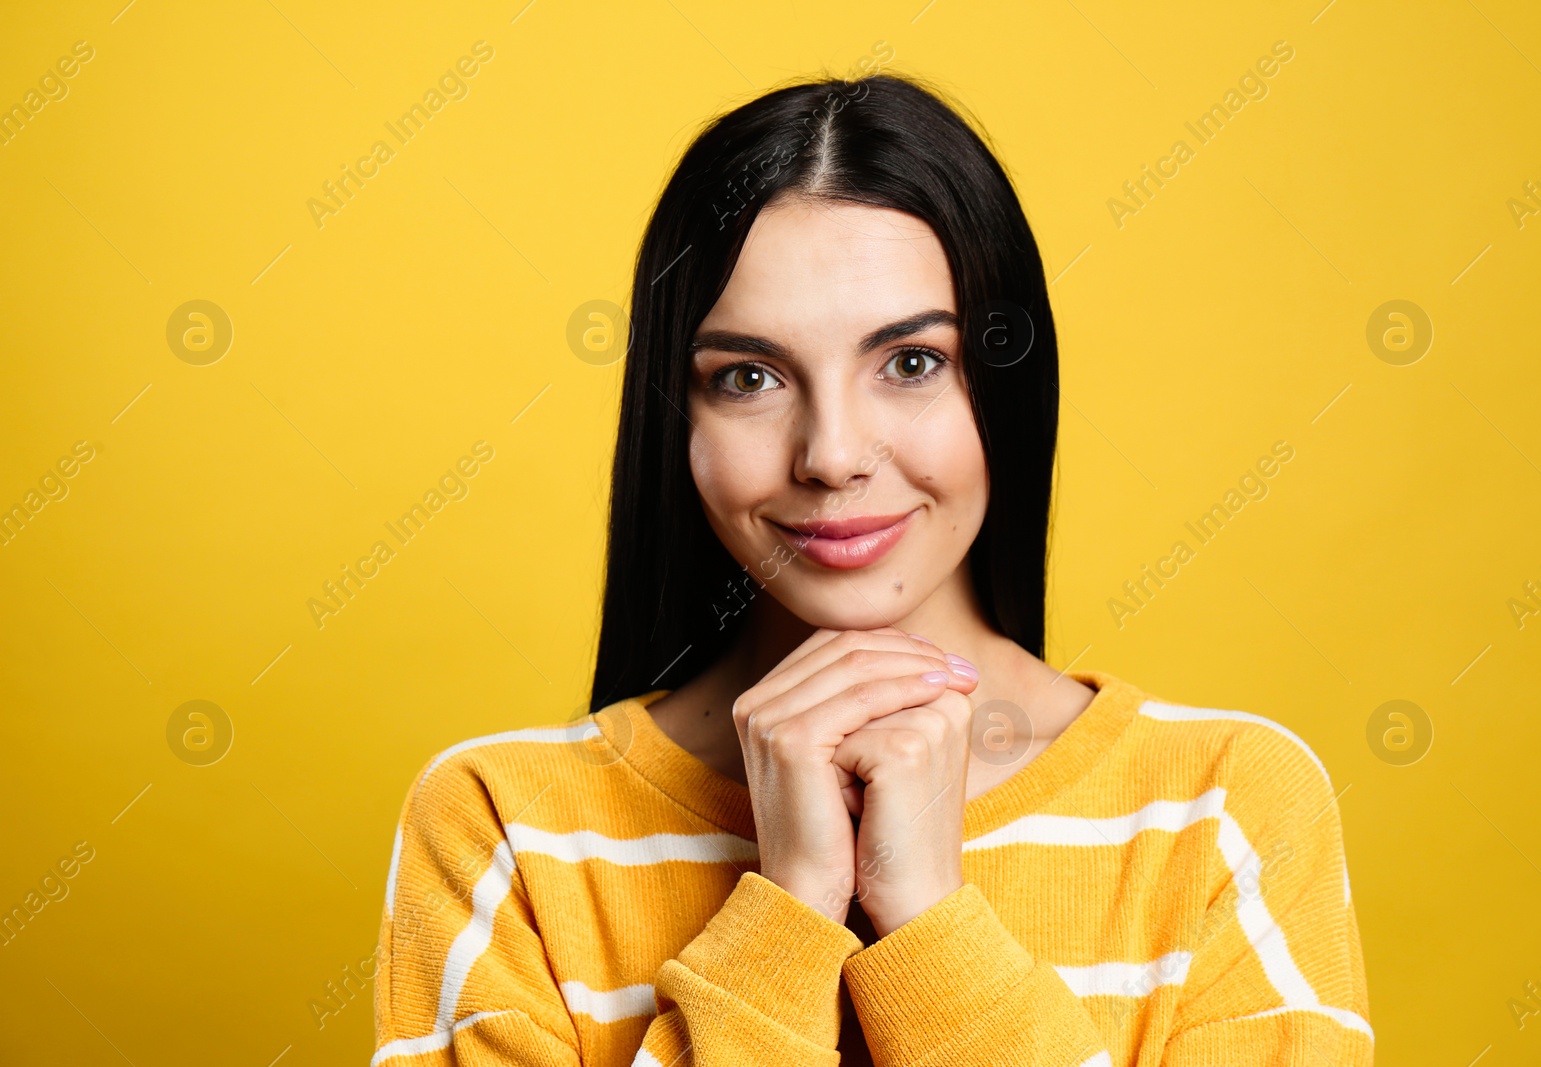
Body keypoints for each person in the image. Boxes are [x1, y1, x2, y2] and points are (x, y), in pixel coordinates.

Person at [373, 70, 1373, 1067]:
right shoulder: (500, 823)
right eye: (748, 376)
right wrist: (790, 907)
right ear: (676, 419)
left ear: (1003, 386)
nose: (833, 453)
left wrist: (929, 923)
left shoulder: (1228, 806)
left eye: (909, 362)